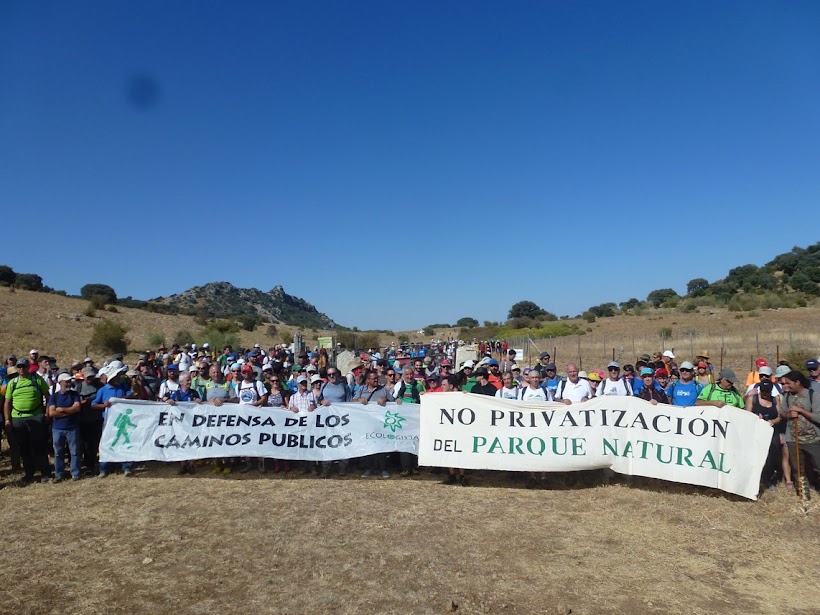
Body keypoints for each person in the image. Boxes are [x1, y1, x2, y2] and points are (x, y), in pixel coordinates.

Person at [3, 357, 51, 484]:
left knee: (39, 444)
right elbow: (7, 403)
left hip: (36, 416)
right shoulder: (12, 383)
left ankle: (45, 472)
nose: (21, 369)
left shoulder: (36, 379)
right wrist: (7, 420)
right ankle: (29, 473)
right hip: (18, 418)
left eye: (23, 366)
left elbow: (48, 396)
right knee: (24, 447)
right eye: (19, 367)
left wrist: (47, 413)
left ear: (28, 367)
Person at [92, 361, 138, 477]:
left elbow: (131, 395)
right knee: (107, 444)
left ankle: (126, 466)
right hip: (108, 422)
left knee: (125, 443)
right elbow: (93, 404)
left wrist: (119, 399)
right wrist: (104, 405)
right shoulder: (103, 390)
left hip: (122, 421)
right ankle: (104, 469)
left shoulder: (122, 387)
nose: (118, 379)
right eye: (116, 377)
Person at [779, 370, 820, 490]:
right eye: (785, 383)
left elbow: (818, 417)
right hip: (793, 439)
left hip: (813, 439)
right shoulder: (787, 397)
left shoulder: (814, 396)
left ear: (798, 382)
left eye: (789, 383)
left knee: (818, 466)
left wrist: (801, 410)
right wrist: (788, 416)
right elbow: (782, 413)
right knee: (798, 469)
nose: (786, 386)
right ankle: (803, 494)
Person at [354, 369, 394, 479]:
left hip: (380, 423)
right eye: (373, 378)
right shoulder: (361, 390)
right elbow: (351, 402)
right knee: (368, 446)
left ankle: (383, 469)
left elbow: (394, 402)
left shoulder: (383, 390)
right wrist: (359, 400)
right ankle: (369, 468)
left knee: (381, 447)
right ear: (367, 380)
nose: (376, 380)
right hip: (366, 423)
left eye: (377, 378)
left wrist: (385, 399)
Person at [47, 373, 82, 482]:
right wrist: (69, 411)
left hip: (72, 427)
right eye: (66, 381)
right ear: (60, 382)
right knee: (58, 452)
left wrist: (62, 410)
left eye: (69, 381)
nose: (68, 383)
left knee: (74, 451)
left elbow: (77, 408)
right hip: (57, 428)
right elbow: (51, 412)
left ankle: (75, 472)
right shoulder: (54, 396)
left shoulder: (74, 394)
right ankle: (59, 473)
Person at [749, 381, 782, 491]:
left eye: (767, 391)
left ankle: (767, 480)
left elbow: (780, 416)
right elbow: (746, 415)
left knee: (771, 456)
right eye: (763, 391)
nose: (764, 393)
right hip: (756, 432)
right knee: (756, 455)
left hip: (772, 431)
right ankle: (756, 479)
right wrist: (755, 418)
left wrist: (772, 421)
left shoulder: (774, 400)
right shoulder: (753, 399)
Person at [394, 366, 425, 476]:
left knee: (415, 442)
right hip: (402, 418)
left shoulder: (419, 385)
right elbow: (393, 399)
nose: (409, 376)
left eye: (411, 374)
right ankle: (406, 467)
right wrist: (396, 400)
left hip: (415, 418)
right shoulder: (399, 385)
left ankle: (415, 466)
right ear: (403, 375)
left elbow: (424, 398)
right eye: (407, 374)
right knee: (404, 442)